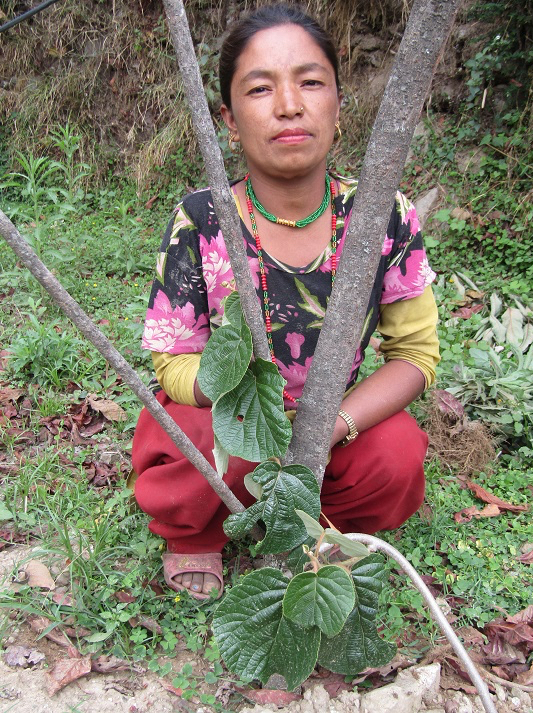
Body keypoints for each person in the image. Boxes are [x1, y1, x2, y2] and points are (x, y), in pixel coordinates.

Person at [132, 4, 440, 601]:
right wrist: (257, 415)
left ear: (338, 107)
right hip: (236, 422)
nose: (289, 105)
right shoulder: (201, 220)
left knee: (396, 454)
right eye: (260, 88)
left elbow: (416, 356)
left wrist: (330, 424)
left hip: (334, 430)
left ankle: (315, 527)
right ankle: (199, 530)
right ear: (227, 118)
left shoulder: (383, 215)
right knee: (189, 439)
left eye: (311, 81)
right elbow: (172, 363)